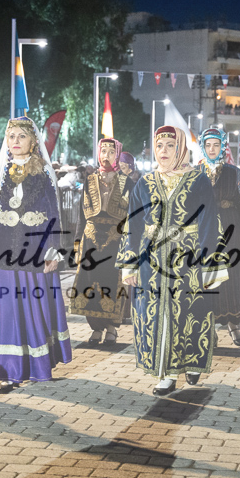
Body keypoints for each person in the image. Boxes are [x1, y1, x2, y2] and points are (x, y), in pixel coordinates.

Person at [116, 125, 229, 396]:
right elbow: (133, 224)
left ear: (181, 149)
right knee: (156, 316)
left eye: (170, 146)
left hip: (188, 261)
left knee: (189, 315)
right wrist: (130, 263)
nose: (163, 151)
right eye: (159, 146)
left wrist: (209, 262)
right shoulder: (144, 183)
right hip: (151, 261)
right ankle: (165, 374)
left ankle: (191, 362)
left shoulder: (198, 180)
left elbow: (208, 220)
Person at [0, 117, 72, 394]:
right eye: (12, 136)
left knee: (34, 308)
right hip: (2, 250)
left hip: (35, 250)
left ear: (33, 141)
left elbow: (53, 214)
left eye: (22, 136)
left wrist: (53, 249)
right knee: (6, 312)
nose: (15, 141)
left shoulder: (43, 172)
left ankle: (39, 368)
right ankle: (9, 372)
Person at [70, 138, 134, 345]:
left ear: (118, 155)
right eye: (103, 151)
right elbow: (81, 214)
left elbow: (132, 215)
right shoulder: (89, 180)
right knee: (90, 283)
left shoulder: (127, 182)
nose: (106, 156)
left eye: (111, 152)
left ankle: (112, 328)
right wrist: (77, 242)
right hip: (90, 239)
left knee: (111, 282)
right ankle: (96, 328)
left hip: (115, 240)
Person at [197, 127, 240, 346]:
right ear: (203, 147)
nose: (212, 149)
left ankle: (233, 324)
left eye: (216, 144)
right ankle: (209, 327)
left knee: (232, 277)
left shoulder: (233, 172)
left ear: (223, 146)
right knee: (208, 278)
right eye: (208, 145)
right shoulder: (194, 172)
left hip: (232, 231)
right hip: (204, 230)